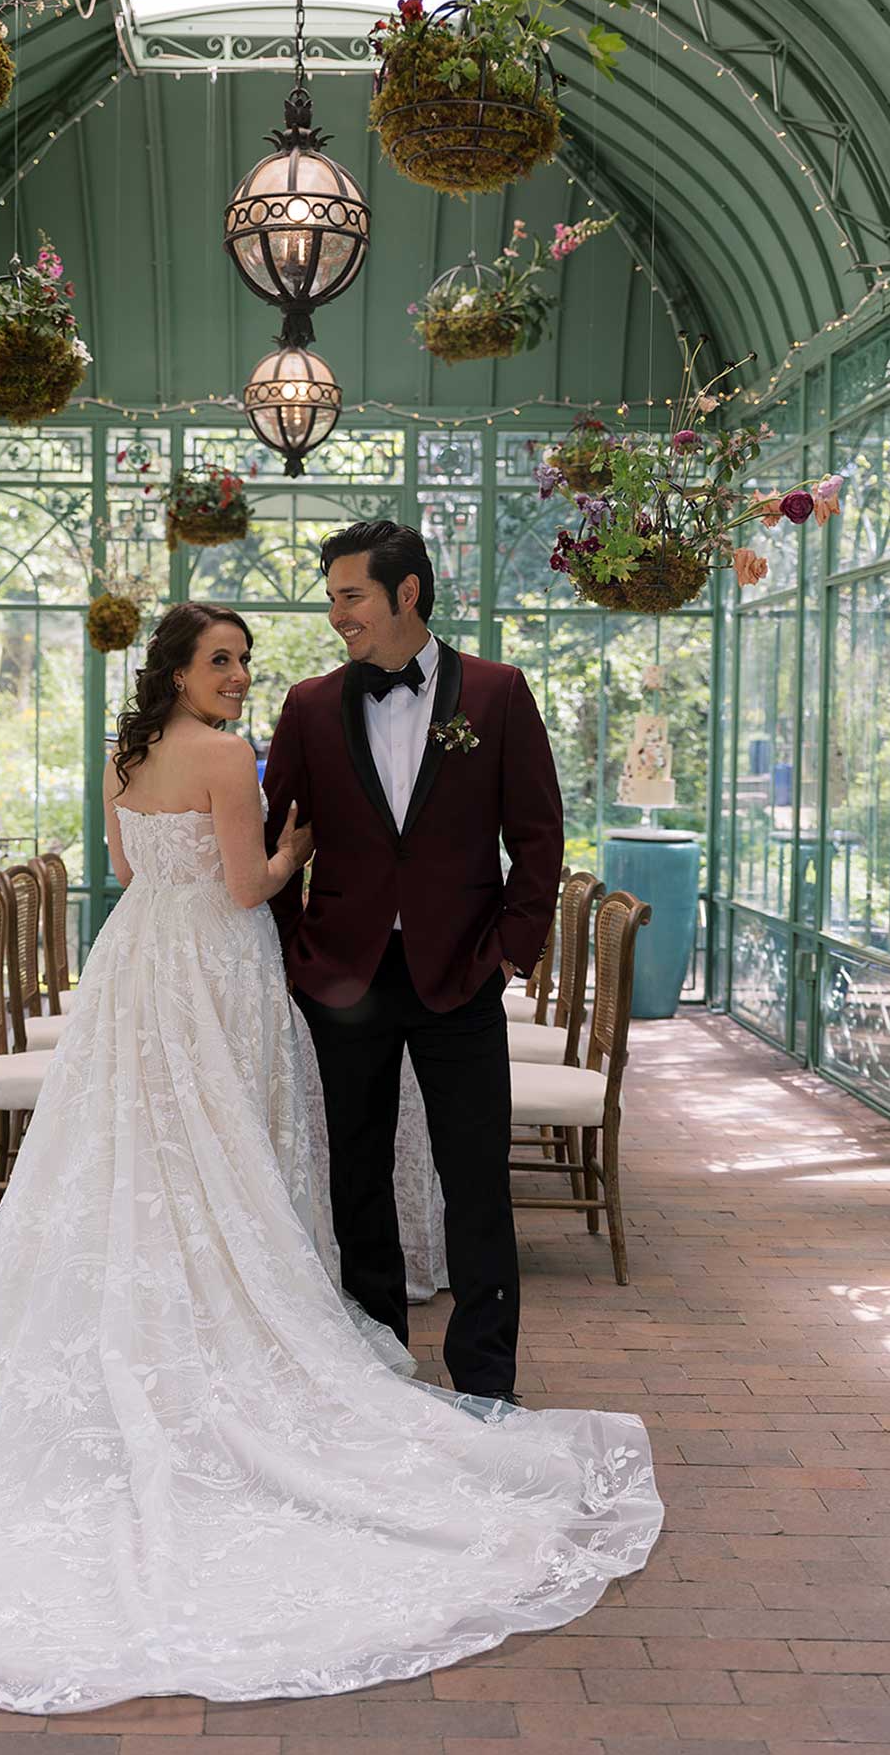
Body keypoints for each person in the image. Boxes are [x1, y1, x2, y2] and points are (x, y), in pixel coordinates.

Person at [0, 601, 660, 1717]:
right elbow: (247, 886)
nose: (242, 675)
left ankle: (158, 1304)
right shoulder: (223, 754)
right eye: (224, 659)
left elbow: (122, 859)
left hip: (138, 962)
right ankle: (235, 1318)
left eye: (246, 659)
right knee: (229, 1142)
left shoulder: (125, 752)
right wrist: (294, 848)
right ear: (181, 670)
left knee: (133, 1145)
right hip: (217, 962)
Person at [265, 520, 562, 1403]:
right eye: (330, 597)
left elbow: (539, 836)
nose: (335, 615)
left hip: (460, 972)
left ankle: (485, 1380)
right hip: (343, 979)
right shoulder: (310, 706)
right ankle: (378, 1367)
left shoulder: (500, 693)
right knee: (357, 1176)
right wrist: (293, 955)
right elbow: (276, 835)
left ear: (407, 594)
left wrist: (511, 949)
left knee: (475, 1180)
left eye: (349, 595)